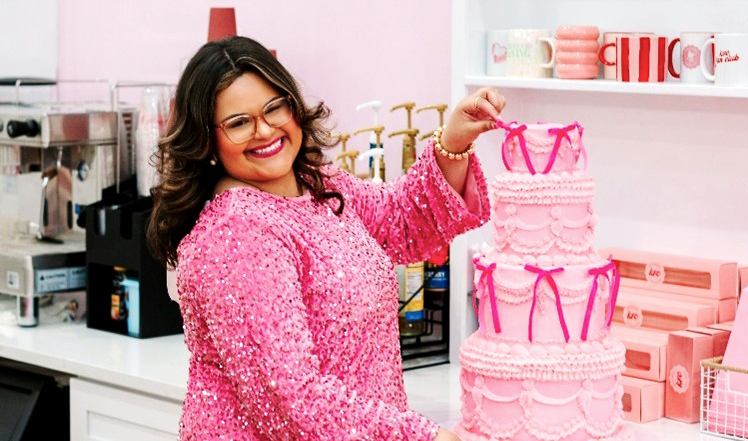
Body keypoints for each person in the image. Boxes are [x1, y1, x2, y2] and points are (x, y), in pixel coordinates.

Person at [146, 35, 505, 440]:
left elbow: (402, 220)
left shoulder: (317, 187)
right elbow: (290, 400)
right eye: (239, 122)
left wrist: (454, 140)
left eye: (273, 108)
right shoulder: (236, 235)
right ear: (207, 140)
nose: (265, 130)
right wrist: (427, 437)